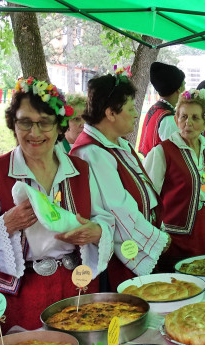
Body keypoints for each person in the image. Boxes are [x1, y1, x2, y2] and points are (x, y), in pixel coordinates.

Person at [0, 77, 114, 332]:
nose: (34, 133)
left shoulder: (80, 169)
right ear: (13, 124)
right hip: (21, 294)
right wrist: (6, 224)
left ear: (59, 127)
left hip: (75, 285)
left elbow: (102, 218)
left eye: (44, 123)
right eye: (25, 122)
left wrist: (97, 231)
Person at [71, 69, 170, 291]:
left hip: (138, 237)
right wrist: (158, 239)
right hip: (119, 254)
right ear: (110, 113)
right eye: (130, 108)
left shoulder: (118, 144)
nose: (136, 114)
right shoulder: (92, 153)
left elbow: (145, 190)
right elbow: (118, 209)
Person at [144, 89, 205, 271]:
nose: (188, 123)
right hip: (178, 237)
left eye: (195, 118)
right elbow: (148, 198)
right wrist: (156, 235)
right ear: (176, 119)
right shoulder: (163, 151)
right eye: (183, 117)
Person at [138, 62, 185, 156]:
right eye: (184, 84)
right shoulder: (168, 119)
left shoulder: (154, 109)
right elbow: (176, 154)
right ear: (178, 89)